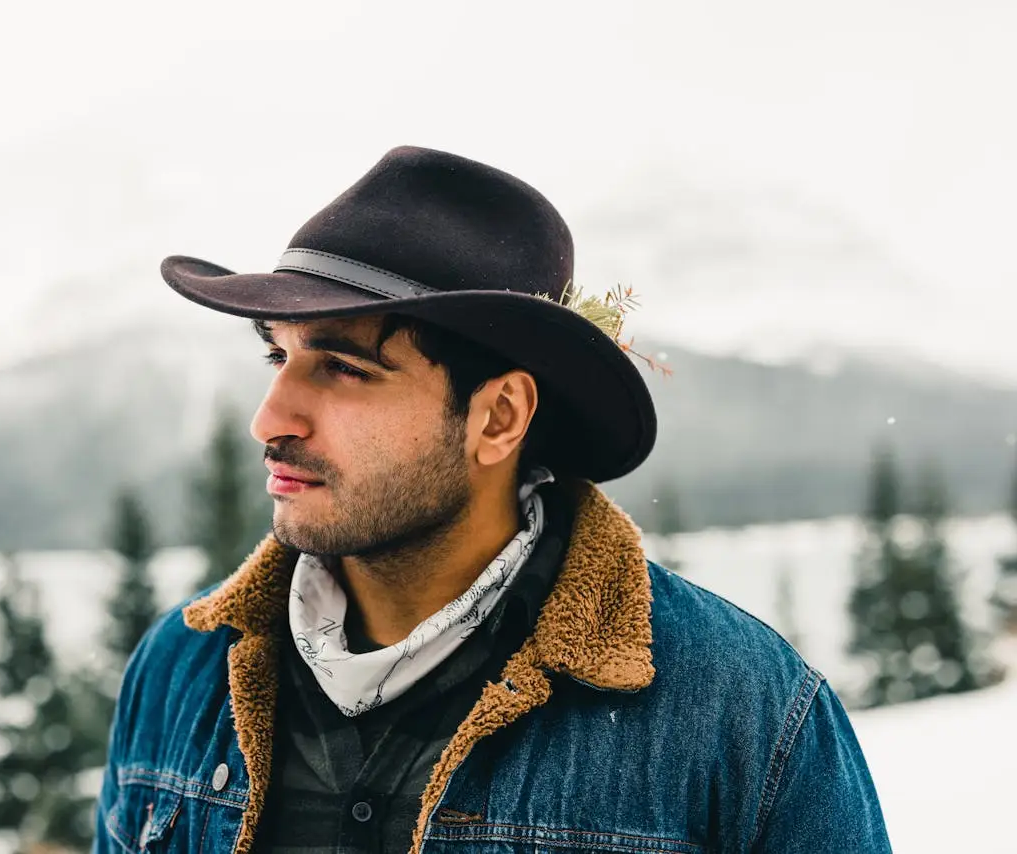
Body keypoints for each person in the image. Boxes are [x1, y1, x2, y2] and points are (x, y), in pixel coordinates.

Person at [92, 146, 891, 853]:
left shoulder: (740, 711)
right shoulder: (179, 669)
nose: (271, 418)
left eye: (341, 368)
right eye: (278, 357)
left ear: (498, 417)